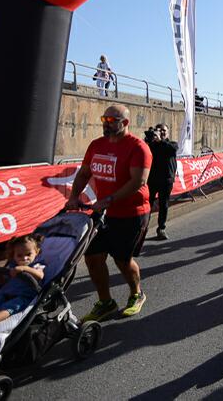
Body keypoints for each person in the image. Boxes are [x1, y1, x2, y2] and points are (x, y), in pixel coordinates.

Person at [66, 104, 152, 321]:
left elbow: (138, 181)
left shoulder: (138, 148)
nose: (106, 124)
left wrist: (109, 199)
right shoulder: (96, 145)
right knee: (92, 258)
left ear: (125, 123)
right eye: (104, 120)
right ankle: (106, 302)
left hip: (132, 213)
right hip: (103, 213)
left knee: (122, 260)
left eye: (112, 121)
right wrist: (74, 196)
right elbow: (84, 173)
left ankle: (137, 294)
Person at [147, 123, 178, 240]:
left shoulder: (172, 144)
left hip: (166, 180)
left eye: (164, 130)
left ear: (168, 132)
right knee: (147, 203)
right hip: (152, 179)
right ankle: (143, 227)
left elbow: (172, 150)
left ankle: (161, 228)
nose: (162, 132)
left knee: (163, 204)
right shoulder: (152, 144)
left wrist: (160, 140)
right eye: (159, 130)